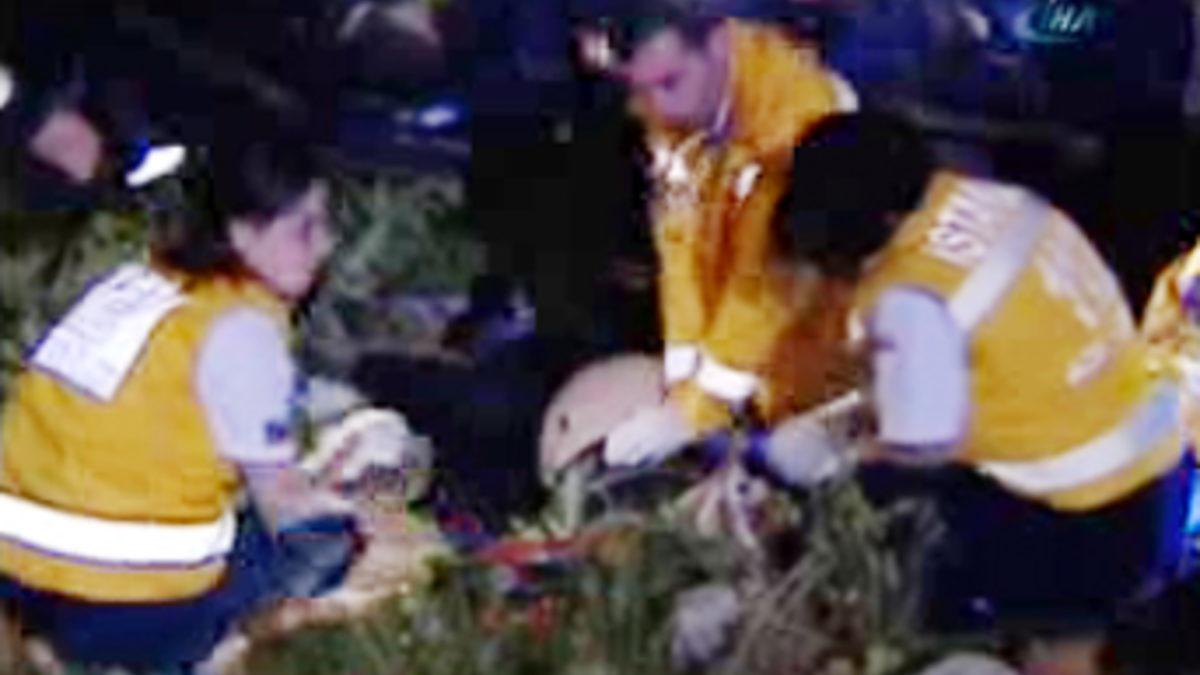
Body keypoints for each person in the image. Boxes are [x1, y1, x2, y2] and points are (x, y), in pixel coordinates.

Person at [746, 112, 1191, 635]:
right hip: (1164, 475)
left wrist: (805, 462)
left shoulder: (906, 293)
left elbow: (915, 449)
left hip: (1090, 529)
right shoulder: (993, 203)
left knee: (874, 513)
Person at [0, 136, 361, 671]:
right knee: (327, 539)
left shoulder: (139, 283)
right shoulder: (245, 328)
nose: (323, 245)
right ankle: (173, 651)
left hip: (12, 563)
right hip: (125, 607)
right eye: (303, 229)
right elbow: (283, 503)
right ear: (240, 231)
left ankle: (37, 635)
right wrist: (354, 501)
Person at [574, 0, 860, 468]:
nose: (657, 107)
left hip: (828, 359)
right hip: (753, 364)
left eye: (669, 83)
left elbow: (772, 282)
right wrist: (681, 374)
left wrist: (699, 408)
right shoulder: (672, 101)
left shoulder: (803, 123)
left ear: (717, 45)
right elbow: (681, 240)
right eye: (638, 89)